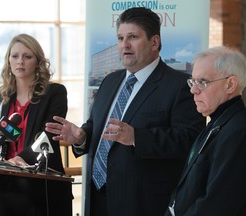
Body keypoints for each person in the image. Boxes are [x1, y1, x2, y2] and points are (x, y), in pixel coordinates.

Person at [45, 7, 205, 216]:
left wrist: (137, 137)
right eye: (120, 38)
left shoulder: (178, 86)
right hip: (98, 198)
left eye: (133, 37)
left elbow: (190, 140)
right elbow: (97, 125)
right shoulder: (110, 81)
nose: (124, 45)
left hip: (143, 202)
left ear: (154, 42)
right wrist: (82, 136)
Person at [165, 46, 246, 216]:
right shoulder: (218, 122)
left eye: (202, 82)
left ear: (230, 84)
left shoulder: (238, 131)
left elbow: (218, 205)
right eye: (192, 82)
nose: (193, 90)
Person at [0, 33, 67, 174]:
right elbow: (0, 136)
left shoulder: (55, 92)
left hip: (41, 175)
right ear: (8, 60)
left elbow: (49, 136)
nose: (20, 61)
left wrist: (20, 158)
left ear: (38, 61)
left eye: (27, 56)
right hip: (6, 176)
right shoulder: (2, 94)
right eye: (15, 56)